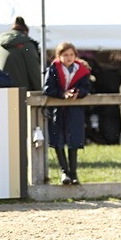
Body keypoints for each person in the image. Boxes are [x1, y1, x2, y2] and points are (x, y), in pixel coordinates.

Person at [43, 42, 92, 185]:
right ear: (59, 56)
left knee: (74, 141)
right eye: (65, 55)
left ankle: (74, 173)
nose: (68, 57)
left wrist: (78, 92)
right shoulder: (53, 69)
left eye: (71, 54)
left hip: (74, 111)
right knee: (58, 141)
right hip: (58, 110)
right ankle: (64, 171)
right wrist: (62, 94)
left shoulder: (82, 70)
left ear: (75, 56)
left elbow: (86, 88)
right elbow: (47, 89)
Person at [0, 16, 42, 91]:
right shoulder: (27, 45)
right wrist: (39, 91)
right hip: (20, 93)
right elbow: (34, 71)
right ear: (25, 31)